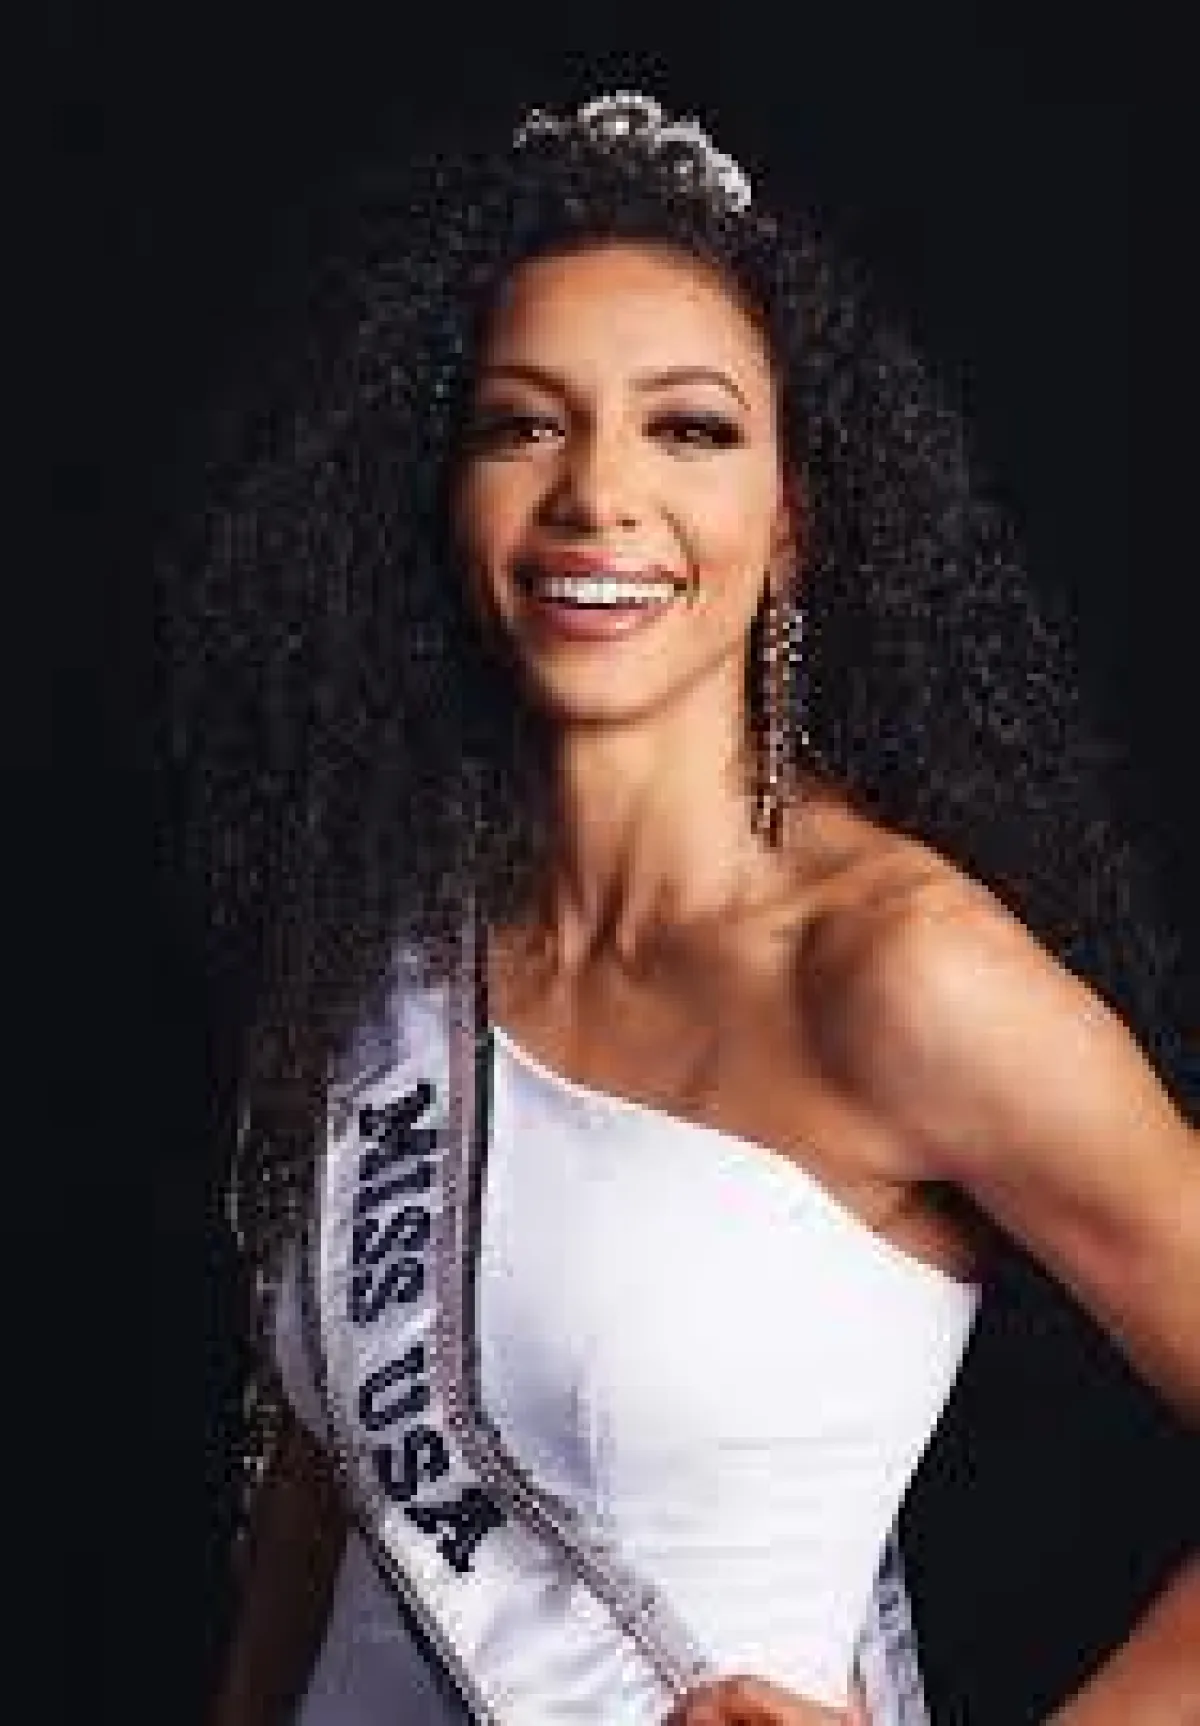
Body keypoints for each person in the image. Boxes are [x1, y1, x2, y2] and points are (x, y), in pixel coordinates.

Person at [158, 94, 1199, 1724]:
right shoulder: (390, 932)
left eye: (690, 429)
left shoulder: (899, 973)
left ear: (791, 520)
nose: (598, 493)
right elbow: (328, 1479)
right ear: (447, 497)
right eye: (524, 424)